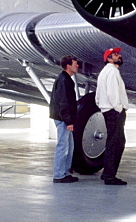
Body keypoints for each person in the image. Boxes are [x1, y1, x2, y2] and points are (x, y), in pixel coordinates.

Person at [96, 47, 129, 185]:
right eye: (115, 55)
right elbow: (113, 93)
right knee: (116, 143)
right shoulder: (112, 72)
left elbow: (98, 96)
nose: (119, 56)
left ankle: (107, 174)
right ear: (109, 58)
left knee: (114, 142)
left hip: (108, 110)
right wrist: (118, 108)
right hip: (114, 111)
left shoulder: (104, 72)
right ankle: (110, 175)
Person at [49, 55, 80, 183]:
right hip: (63, 119)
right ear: (68, 66)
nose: (77, 65)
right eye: (75, 63)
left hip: (63, 118)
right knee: (63, 146)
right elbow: (63, 102)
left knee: (69, 146)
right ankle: (58, 175)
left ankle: (65, 172)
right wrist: (69, 121)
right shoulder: (64, 80)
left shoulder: (66, 79)